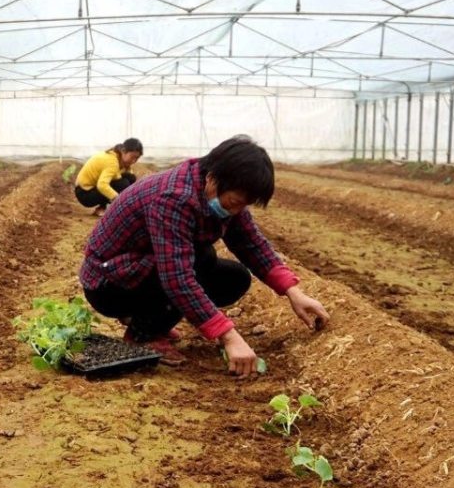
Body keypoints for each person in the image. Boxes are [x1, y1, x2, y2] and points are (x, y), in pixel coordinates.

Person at [79, 135, 329, 372]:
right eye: (233, 203)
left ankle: (151, 320)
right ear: (212, 179)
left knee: (234, 278)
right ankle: (144, 333)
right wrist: (228, 336)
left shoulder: (219, 189)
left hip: (138, 272)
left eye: (244, 205)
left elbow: (251, 244)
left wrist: (293, 292)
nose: (236, 211)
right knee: (200, 258)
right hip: (108, 285)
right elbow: (177, 277)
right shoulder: (174, 198)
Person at [75, 138, 142, 215]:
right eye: (132, 157)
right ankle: (110, 208)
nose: (134, 161)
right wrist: (119, 201)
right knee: (123, 184)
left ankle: (102, 207)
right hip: (84, 193)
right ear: (123, 151)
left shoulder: (119, 157)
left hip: (91, 189)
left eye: (137, 158)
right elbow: (102, 185)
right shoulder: (112, 161)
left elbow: (129, 178)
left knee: (130, 178)